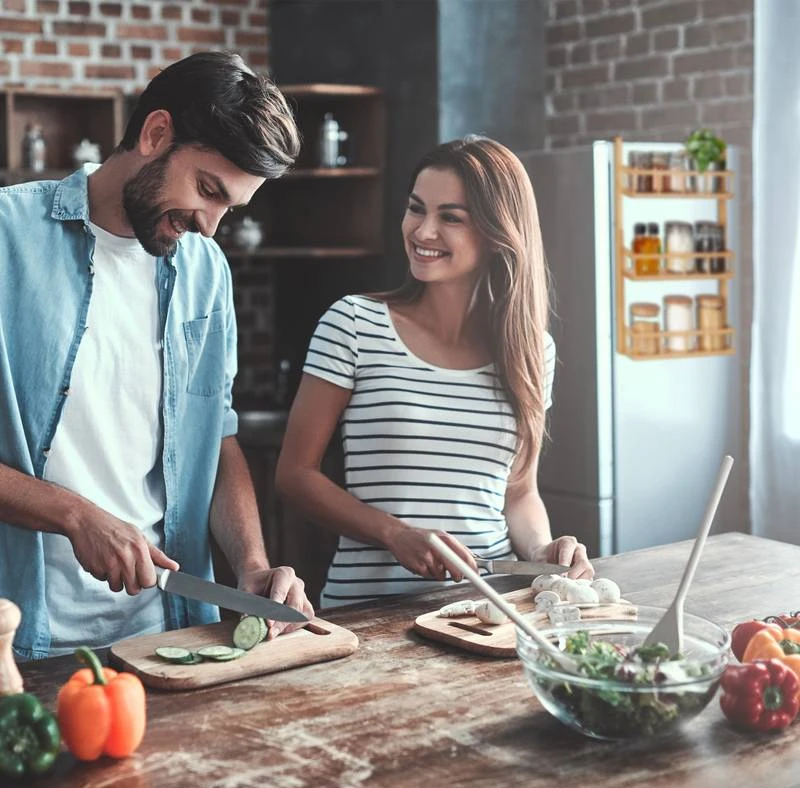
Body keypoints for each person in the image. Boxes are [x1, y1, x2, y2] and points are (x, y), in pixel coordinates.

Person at [0, 51, 314, 660]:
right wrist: (74, 514)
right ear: (155, 133)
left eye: (230, 208)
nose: (210, 226)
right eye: (207, 190)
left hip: (164, 636)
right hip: (17, 639)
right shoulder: (7, 239)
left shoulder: (205, 271)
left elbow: (215, 440)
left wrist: (250, 563)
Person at [276, 135, 594, 608]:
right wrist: (394, 533)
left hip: (488, 609)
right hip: (369, 611)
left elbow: (518, 493)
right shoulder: (354, 324)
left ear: (495, 232)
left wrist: (542, 552)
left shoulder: (532, 351)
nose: (423, 232)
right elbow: (294, 475)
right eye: (416, 209)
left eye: (450, 217)